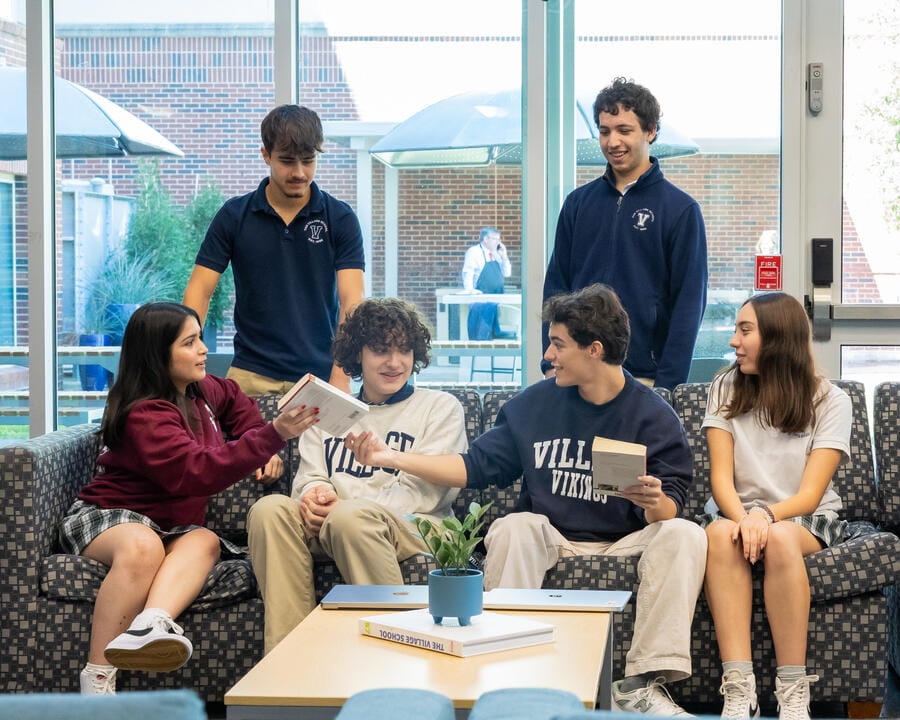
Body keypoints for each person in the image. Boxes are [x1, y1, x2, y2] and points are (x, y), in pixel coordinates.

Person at [347, 284, 707, 717]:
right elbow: (474, 466)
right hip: (551, 534)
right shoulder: (534, 406)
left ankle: (639, 685)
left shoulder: (652, 414)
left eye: (557, 344)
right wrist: (391, 457)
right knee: (514, 526)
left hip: (627, 538)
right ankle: (500, 671)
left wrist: (653, 501)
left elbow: (672, 506)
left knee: (685, 534)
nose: (547, 356)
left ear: (594, 350)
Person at [58, 303, 319, 695]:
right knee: (143, 548)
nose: (203, 351)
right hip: (112, 516)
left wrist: (262, 446)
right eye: (190, 342)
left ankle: (152, 624)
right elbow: (197, 470)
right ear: (158, 354)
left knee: (206, 540)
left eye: (200, 339)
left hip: (172, 526)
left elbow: (235, 399)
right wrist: (272, 435)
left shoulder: (201, 390)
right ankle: (97, 677)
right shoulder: (144, 415)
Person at [246, 297, 468, 653]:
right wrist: (314, 497)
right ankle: (290, 660)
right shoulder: (330, 410)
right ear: (358, 355)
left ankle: (396, 660)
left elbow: (427, 495)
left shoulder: (439, 407)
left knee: (351, 517)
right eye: (381, 350)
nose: (395, 362)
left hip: (414, 526)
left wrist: (344, 506)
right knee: (270, 510)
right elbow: (310, 476)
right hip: (333, 523)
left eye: (404, 349)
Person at [701, 292, 851, 720]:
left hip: (803, 517)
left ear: (779, 338)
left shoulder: (831, 400)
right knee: (718, 537)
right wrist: (746, 517)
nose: (734, 341)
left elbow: (810, 494)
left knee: (782, 540)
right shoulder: (724, 387)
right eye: (736, 330)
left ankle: (791, 688)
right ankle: (739, 687)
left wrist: (765, 516)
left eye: (745, 331)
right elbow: (720, 479)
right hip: (736, 511)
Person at [183, 104, 365, 395]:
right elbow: (199, 291)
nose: (299, 172)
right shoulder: (233, 215)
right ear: (265, 155)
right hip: (249, 374)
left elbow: (351, 300)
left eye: (308, 161)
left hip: (318, 376)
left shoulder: (340, 218)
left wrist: (341, 376)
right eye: (287, 161)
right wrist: (186, 359)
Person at [542, 77, 707, 390]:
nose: (612, 141)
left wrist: (667, 385)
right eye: (605, 131)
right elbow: (556, 290)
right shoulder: (578, 204)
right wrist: (552, 363)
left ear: (650, 131)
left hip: (644, 379)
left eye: (624, 131)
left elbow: (688, 305)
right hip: (578, 373)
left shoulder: (681, 210)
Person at [461, 227, 513, 340]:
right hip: (480, 301)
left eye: (499, 239)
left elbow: (507, 273)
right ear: (485, 239)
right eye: (495, 239)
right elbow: (468, 273)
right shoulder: (474, 252)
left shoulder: (496, 254)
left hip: (495, 300)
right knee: (480, 334)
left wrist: (504, 256)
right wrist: (470, 292)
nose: (498, 242)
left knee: (494, 334)